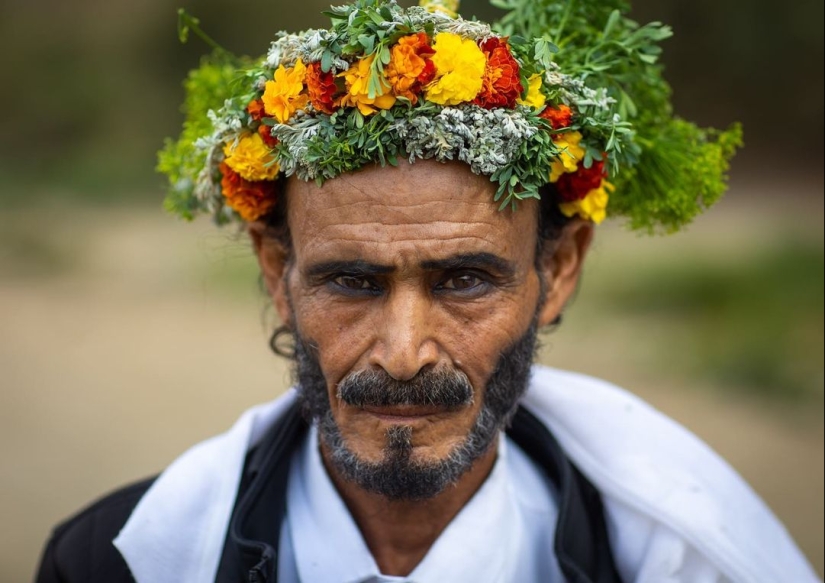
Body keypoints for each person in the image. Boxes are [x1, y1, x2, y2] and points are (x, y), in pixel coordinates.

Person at [36, 0, 818, 582]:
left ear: (561, 269)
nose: (404, 352)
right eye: (351, 280)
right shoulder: (113, 561)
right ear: (278, 272)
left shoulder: (675, 559)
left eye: (465, 280)